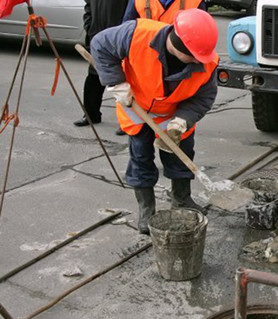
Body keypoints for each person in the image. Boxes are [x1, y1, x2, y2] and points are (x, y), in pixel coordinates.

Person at [91, 8, 219, 234]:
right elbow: (100, 45)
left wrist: (182, 121)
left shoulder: (206, 61)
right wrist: (115, 82)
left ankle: (182, 200)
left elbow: (204, 97)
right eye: (194, 56)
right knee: (140, 158)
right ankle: (147, 210)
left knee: (181, 157)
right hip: (136, 107)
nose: (199, 61)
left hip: (174, 114)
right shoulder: (136, 34)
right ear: (179, 45)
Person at [73, 0, 127, 131]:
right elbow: (88, 8)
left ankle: (126, 121)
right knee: (94, 77)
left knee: (121, 81)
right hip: (97, 36)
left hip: (119, 37)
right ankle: (91, 115)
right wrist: (89, 27)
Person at [122, 0, 206, 23]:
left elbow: (202, 37)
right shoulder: (137, 1)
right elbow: (125, 34)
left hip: (179, 63)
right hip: (144, 61)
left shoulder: (195, 2)